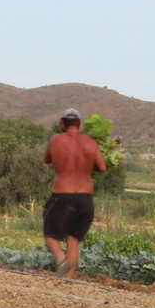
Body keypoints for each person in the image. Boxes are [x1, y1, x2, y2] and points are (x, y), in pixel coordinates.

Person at [42, 108, 106, 278]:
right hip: (85, 199)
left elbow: (46, 159)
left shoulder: (55, 140)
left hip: (63, 197)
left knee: (50, 235)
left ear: (62, 123)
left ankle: (61, 260)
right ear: (79, 124)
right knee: (72, 239)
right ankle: (68, 280)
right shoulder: (91, 142)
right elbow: (102, 167)